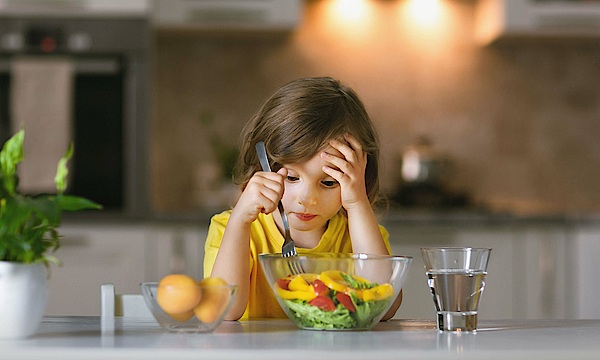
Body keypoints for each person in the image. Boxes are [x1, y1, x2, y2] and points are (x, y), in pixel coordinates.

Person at [203, 77, 401, 321]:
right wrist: (239, 222)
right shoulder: (232, 229)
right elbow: (223, 311)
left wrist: (358, 204)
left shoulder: (360, 235)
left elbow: (383, 308)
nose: (307, 199)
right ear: (262, 169)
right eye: (292, 178)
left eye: (328, 183)